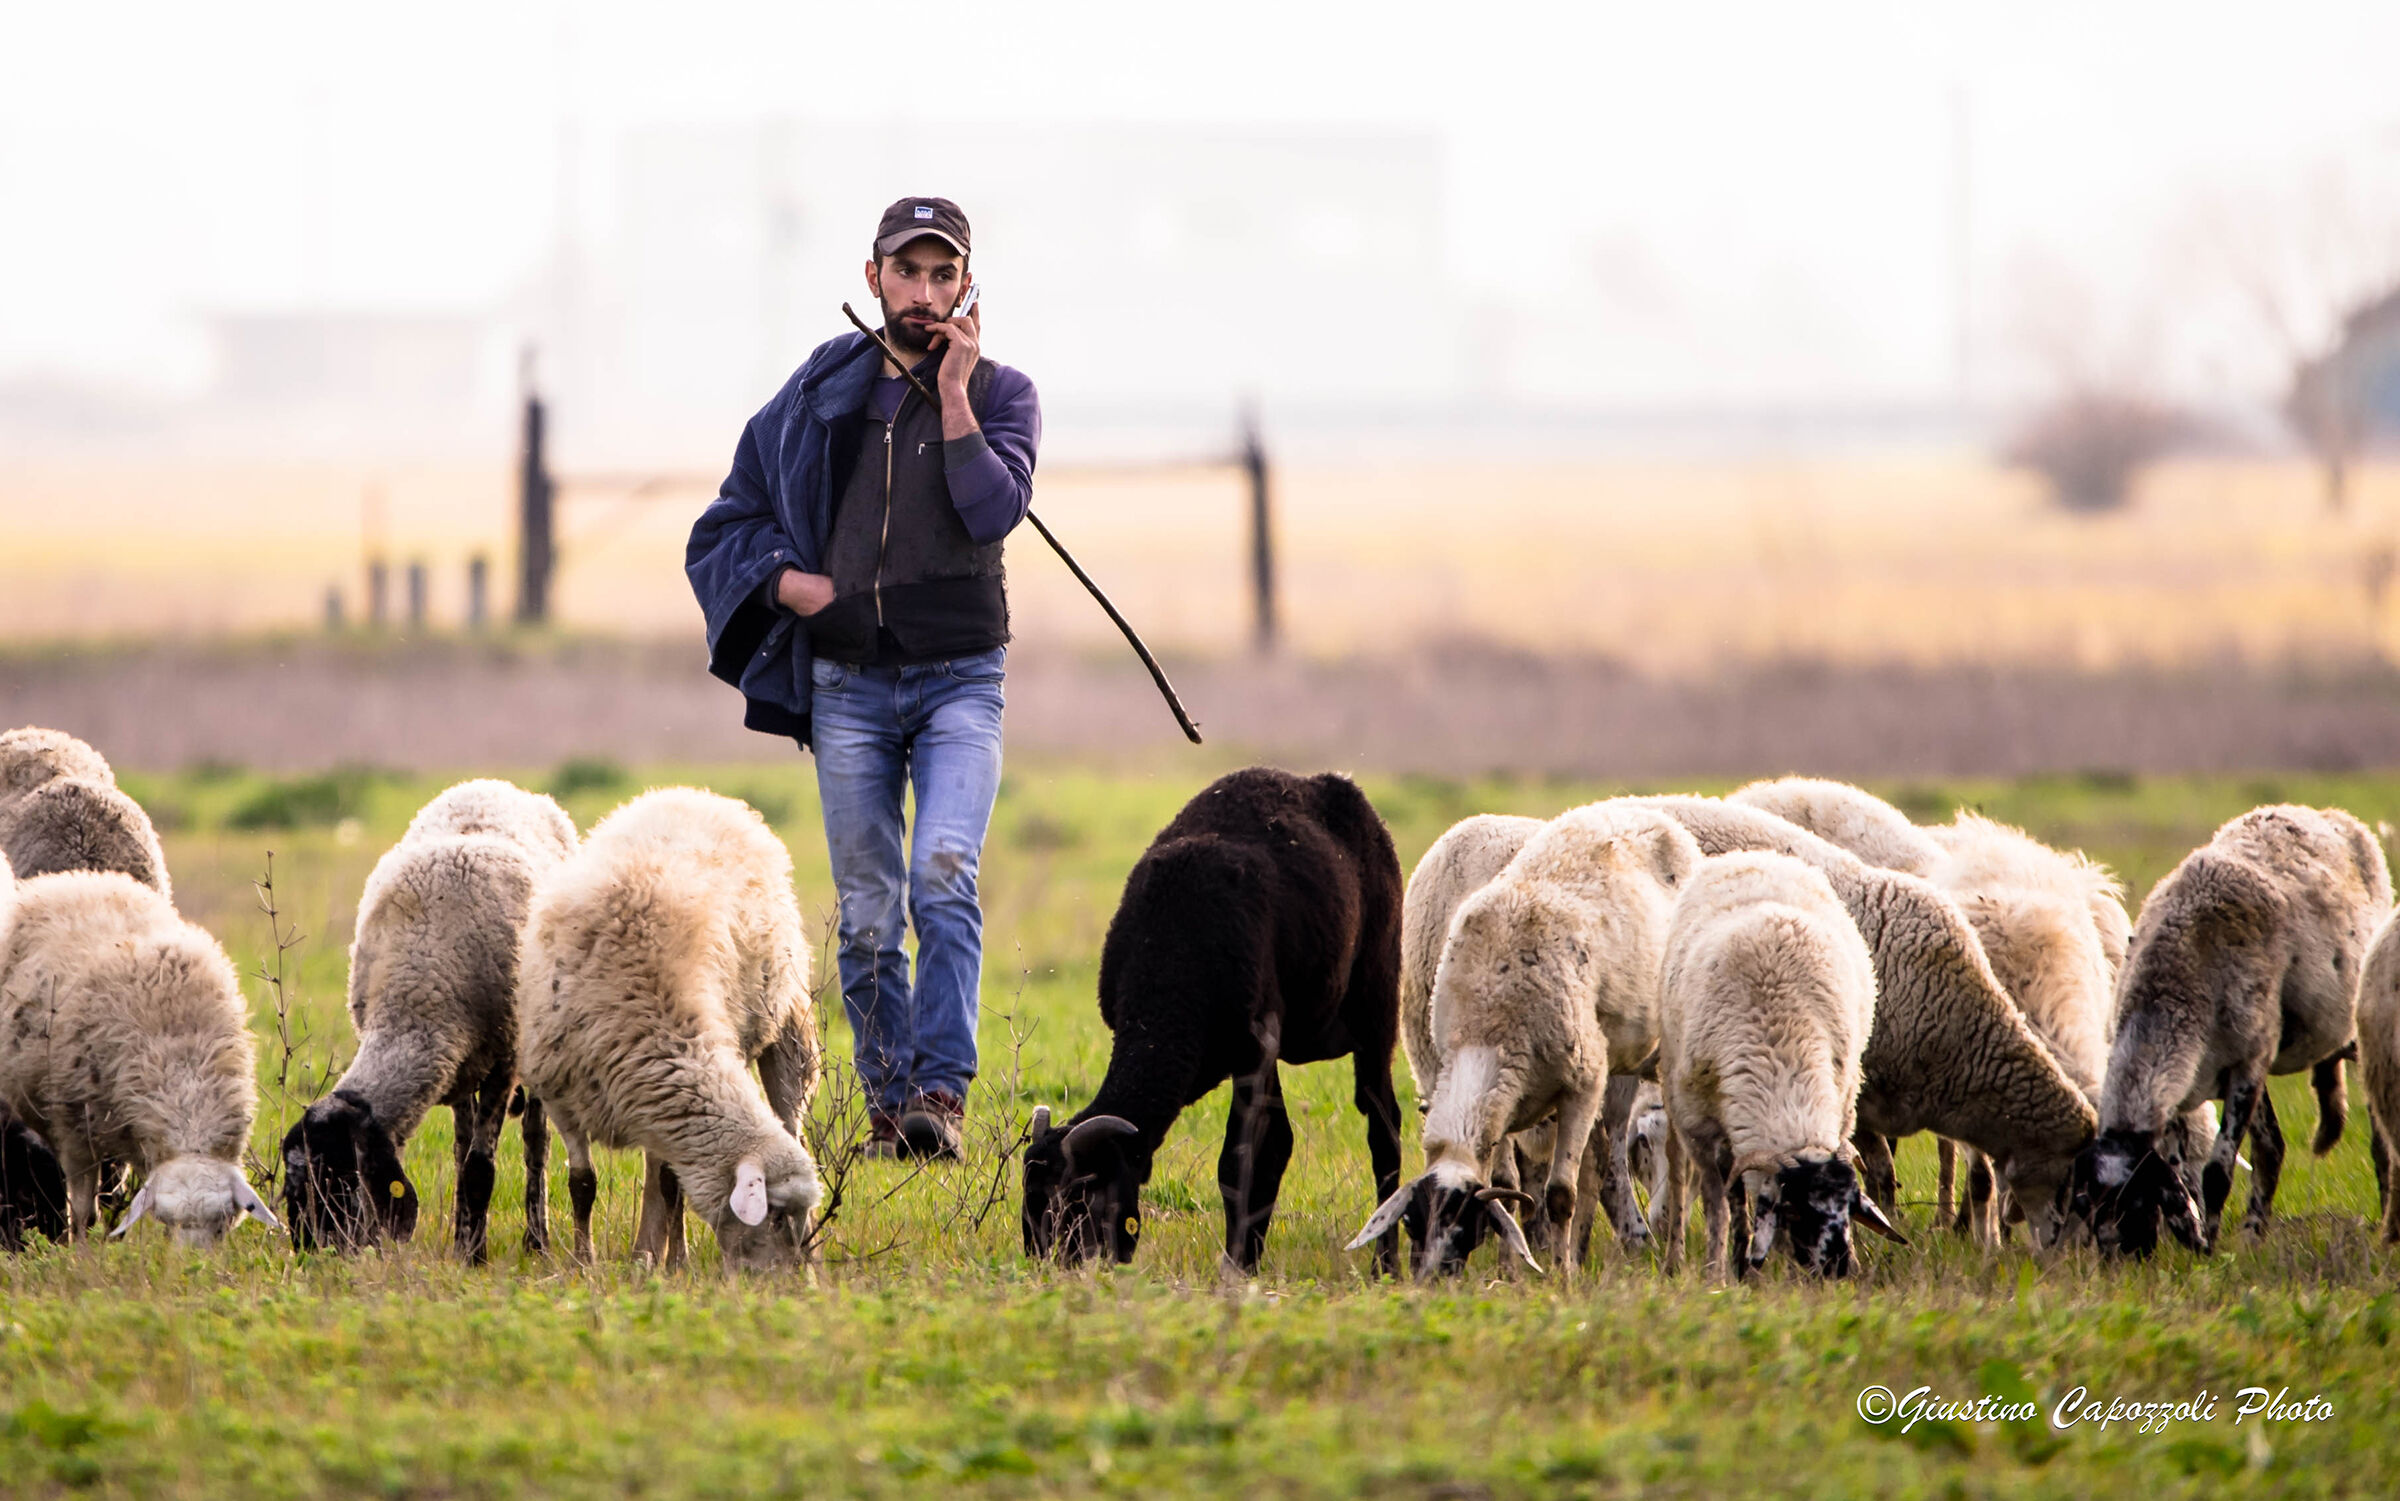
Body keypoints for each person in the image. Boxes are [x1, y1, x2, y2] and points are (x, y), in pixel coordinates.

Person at [686, 196, 1040, 1160]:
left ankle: (941, 1097)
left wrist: (954, 394)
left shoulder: (1003, 395)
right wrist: (787, 582)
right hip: (850, 687)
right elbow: (732, 513)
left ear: (967, 285)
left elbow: (992, 512)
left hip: (962, 680)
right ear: (873, 276)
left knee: (944, 875)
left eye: (942, 274)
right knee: (871, 911)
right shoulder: (820, 391)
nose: (924, 292)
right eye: (907, 272)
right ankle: (890, 1112)